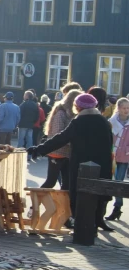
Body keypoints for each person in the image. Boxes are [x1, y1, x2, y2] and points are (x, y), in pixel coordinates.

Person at [28, 93, 114, 231]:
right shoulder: (103, 122)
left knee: (79, 193)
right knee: (99, 194)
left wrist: (39, 149)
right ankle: (97, 221)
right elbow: (110, 143)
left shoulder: (78, 122)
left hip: (81, 164)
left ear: (78, 107)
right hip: (101, 164)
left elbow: (61, 139)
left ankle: (81, 227)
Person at [38, 89, 81, 191]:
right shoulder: (61, 113)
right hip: (56, 153)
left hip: (66, 153)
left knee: (67, 183)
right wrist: (72, 142)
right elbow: (58, 134)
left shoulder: (71, 113)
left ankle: (63, 205)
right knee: (51, 182)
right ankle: (36, 201)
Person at [107, 97, 129, 221]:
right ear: (119, 108)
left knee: (118, 182)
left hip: (125, 156)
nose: (126, 110)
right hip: (112, 155)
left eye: (128, 108)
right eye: (124, 108)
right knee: (109, 181)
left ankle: (117, 207)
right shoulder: (112, 121)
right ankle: (108, 207)